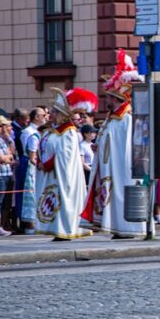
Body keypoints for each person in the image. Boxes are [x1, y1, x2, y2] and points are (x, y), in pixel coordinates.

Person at [82, 49, 147, 239]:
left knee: (121, 196)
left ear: (117, 99)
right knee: (112, 196)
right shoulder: (113, 118)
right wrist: (98, 146)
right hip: (110, 167)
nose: (107, 100)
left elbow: (129, 147)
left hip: (122, 168)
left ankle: (127, 228)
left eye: (109, 97)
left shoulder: (126, 118)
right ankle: (117, 227)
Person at [35, 88, 96, 240]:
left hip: (61, 175)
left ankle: (65, 229)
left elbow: (64, 157)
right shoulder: (52, 131)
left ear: (62, 114)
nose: (51, 115)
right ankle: (55, 228)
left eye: (55, 112)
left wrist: (47, 165)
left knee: (61, 200)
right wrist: (39, 160)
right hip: (50, 175)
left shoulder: (69, 132)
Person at [17, 106, 47, 235]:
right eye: (43, 115)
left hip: (36, 164)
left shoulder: (39, 132)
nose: (45, 117)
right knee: (28, 194)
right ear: (36, 117)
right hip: (30, 165)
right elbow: (30, 153)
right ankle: (28, 223)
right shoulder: (29, 132)